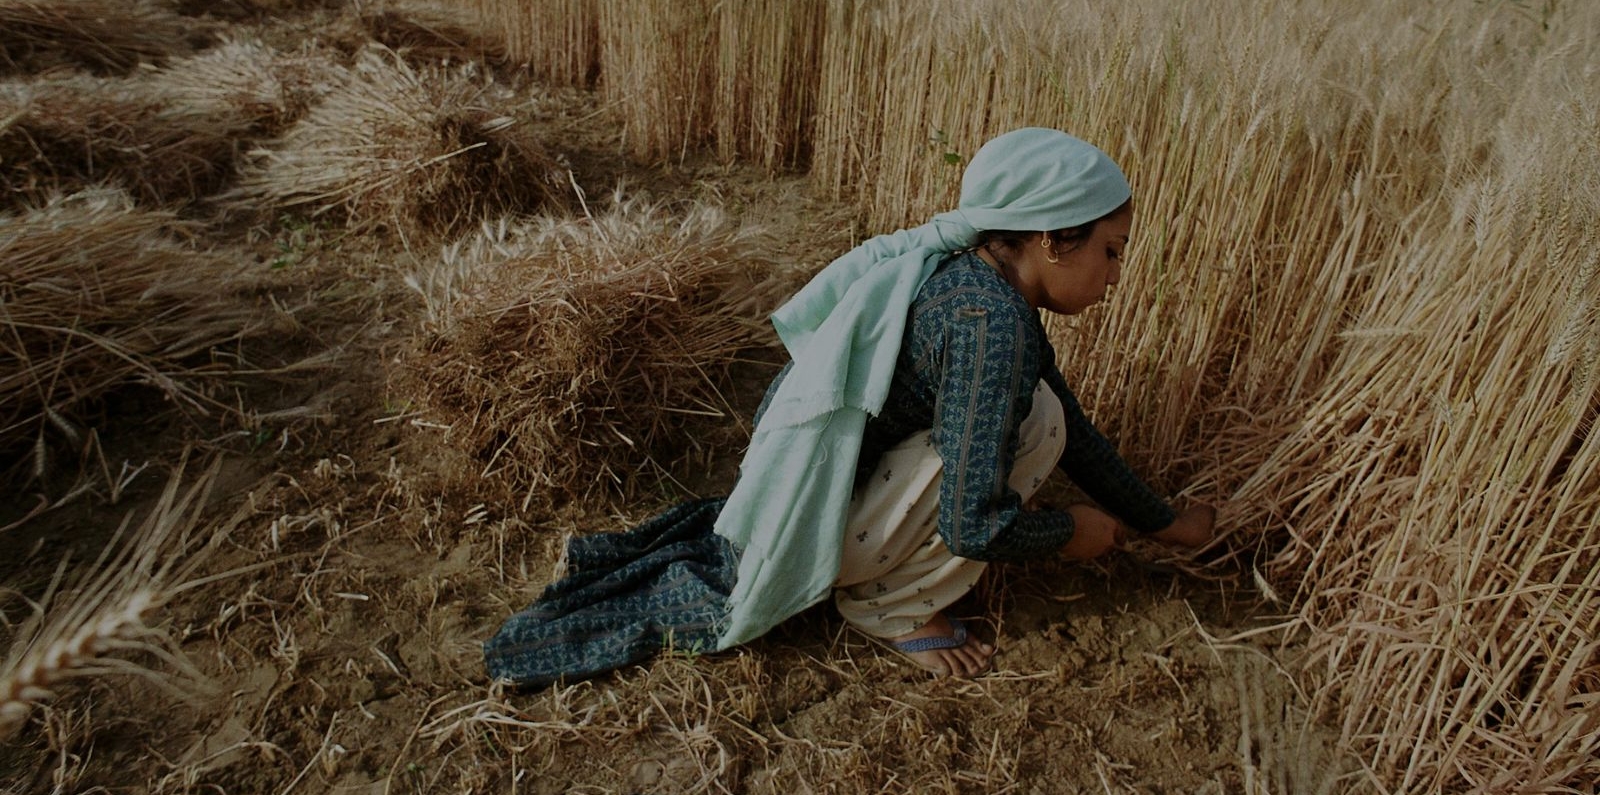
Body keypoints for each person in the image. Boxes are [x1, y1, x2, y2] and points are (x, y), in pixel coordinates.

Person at [484, 128, 1216, 687]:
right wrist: (1069, 533)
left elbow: (1077, 432)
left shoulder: (978, 282)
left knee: (1045, 417)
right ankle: (890, 606)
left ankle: (882, 562)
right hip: (819, 524)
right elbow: (973, 521)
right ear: (1055, 241)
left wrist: (1161, 520)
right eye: (1113, 251)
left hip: (821, 488)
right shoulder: (989, 327)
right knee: (1028, 432)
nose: (1117, 274)